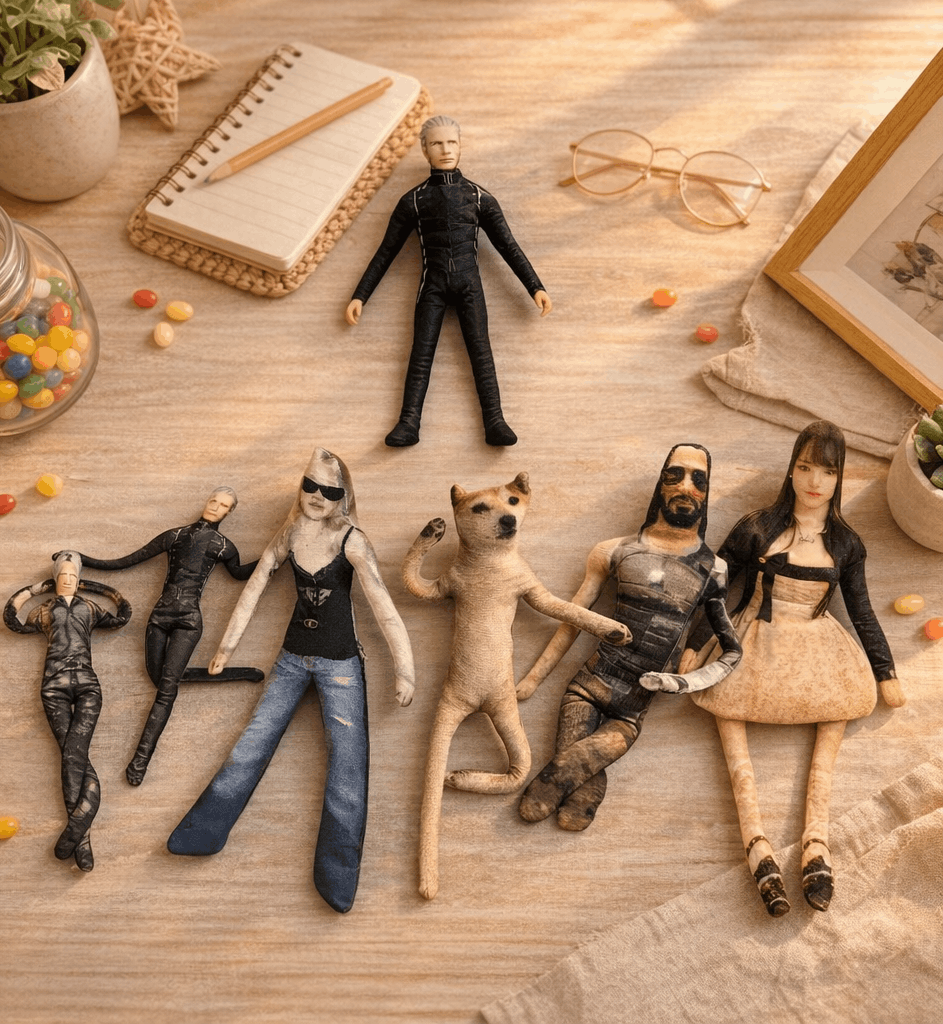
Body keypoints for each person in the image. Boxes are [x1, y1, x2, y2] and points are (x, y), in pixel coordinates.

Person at [168, 448, 416, 914]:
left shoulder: (352, 540)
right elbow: (254, 588)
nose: (318, 496)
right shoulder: (289, 533)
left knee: (347, 768)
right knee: (251, 743)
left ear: (344, 496)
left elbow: (382, 605)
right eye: (310, 486)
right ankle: (203, 833)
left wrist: (405, 669)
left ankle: (337, 874)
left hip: (341, 666)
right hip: (291, 660)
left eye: (330, 491)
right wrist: (226, 648)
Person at [684, 420, 905, 916]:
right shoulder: (756, 528)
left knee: (839, 706)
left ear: (840, 476)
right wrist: (698, 643)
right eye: (805, 467)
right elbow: (715, 590)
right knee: (726, 702)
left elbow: (862, 610)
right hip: (754, 636)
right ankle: (756, 844)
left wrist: (885, 671)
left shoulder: (847, 544)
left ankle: (817, 843)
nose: (814, 481)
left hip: (818, 645)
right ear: (791, 469)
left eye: (827, 471)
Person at [516, 444, 742, 832]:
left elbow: (731, 649)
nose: (685, 486)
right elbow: (573, 619)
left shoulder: (714, 569)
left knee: (574, 767)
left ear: (706, 492)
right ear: (660, 483)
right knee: (573, 784)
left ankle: (571, 787)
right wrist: (534, 678)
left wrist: (685, 680)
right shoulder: (614, 551)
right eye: (674, 474)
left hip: (632, 712)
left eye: (698, 479)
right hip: (586, 688)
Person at [345, 115, 552, 448]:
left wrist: (535, 287)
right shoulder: (414, 200)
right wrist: (361, 295)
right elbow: (386, 252)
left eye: (451, 142)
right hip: (433, 286)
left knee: (481, 352)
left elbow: (508, 246)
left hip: (471, 285)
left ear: (461, 145)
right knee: (421, 353)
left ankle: (495, 422)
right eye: (437, 143)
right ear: (424, 150)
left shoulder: (479, 197)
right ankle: (408, 423)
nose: (445, 149)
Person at [67, 487, 259, 786]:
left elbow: (240, 574)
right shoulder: (176, 535)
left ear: (228, 512)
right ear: (206, 502)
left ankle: (140, 761)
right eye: (213, 501)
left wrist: (276, 556)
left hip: (189, 622)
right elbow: (126, 561)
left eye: (223, 505)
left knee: (167, 691)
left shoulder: (224, 546)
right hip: (158, 618)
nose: (215, 507)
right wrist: (82, 559)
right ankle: (235, 673)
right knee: (160, 679)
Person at [4, 553, 131, 872]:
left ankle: (76, 833)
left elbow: (123, 615)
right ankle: (82, 839)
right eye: (63, 576)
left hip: (88, 685)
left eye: (74, 577)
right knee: (74, 758)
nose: (68, 581)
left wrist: (97, 587)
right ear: (54, 579)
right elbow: (13, 622)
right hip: (53, 687)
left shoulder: (90, 608)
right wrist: (32, 591)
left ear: (79, 581)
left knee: (74, 756)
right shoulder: (44, 610)